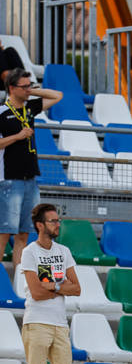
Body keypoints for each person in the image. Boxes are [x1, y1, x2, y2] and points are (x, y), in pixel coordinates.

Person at [20, 203, 80, 364]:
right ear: (39, 225)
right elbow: (36, 293)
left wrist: (53, 286)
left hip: (60, 325)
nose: (57, 224)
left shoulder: (64, 251)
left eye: (58, 220)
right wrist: (63, 288)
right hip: (36, 322)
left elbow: (77, 288)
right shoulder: (29, 252)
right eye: (53, 221)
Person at [1, 68, 62, 268]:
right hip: (9, 178)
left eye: (30, 85)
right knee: (4, 231)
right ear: (11, 88)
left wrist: (31, 91)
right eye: (24, 86)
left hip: (30, 177)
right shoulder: (2, 112)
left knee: (24, 232)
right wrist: (17, 137)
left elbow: (57, 96)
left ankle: (19, 279)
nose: (28, 89)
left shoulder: (29, 108)